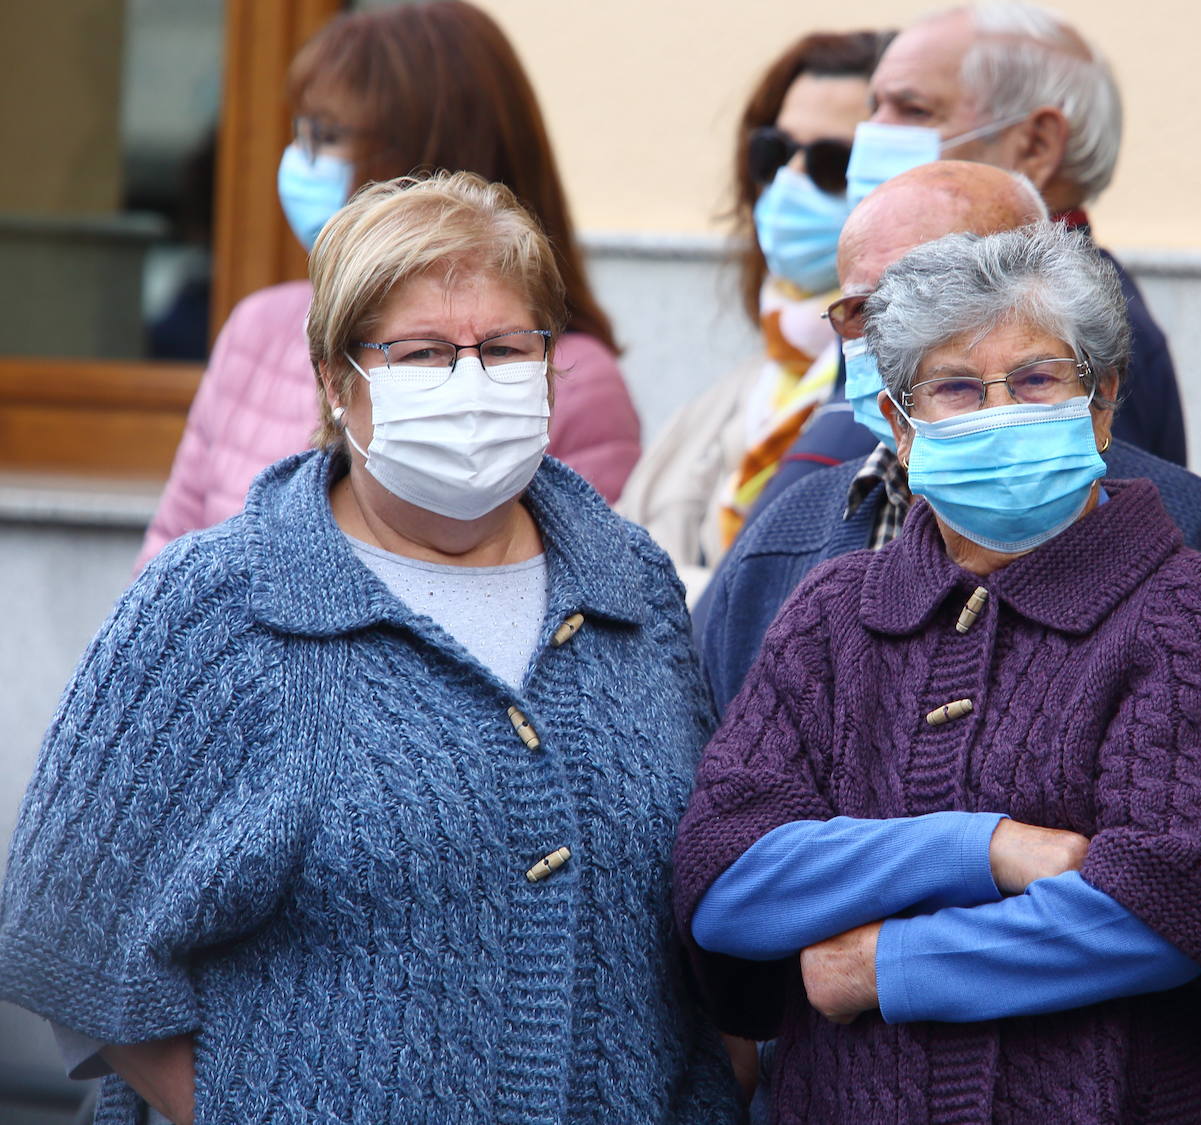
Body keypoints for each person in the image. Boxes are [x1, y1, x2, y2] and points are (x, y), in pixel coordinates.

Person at [0, 173, 739, 1125]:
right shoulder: (221, 605)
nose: (471, 383)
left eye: (506, 348)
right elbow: (70, 932)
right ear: (338, 380)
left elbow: (691, 897)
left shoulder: (628, 587)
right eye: (423, 353)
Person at [674, 222, 1201, 1124]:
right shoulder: (833, 612)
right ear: (901, 429)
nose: (998, 410)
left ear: (1101, 406)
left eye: (1036, 379)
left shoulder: (1187, 605)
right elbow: (726, 882)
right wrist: (983, 848)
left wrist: (881, 965)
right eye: (954, 387)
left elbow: (1175, 901)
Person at [136, 0, 638, 572]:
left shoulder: (568, 378)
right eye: (303, 133)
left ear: (420, 157)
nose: (303, 162)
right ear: (332, 374)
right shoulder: (258, 327)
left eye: (329, 136)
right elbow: (169, 551)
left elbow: (591, 594)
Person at [745, 1, 1185, 526]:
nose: (871, 138)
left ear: (1036, 143)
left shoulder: (1078, 329)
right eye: (874, 108)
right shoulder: (903, 284)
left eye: (913, 110)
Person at [617, 30, 890, 600]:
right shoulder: (725, 399)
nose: (789, 180)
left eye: (831, 163)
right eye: (774, 151)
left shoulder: (908, 404)